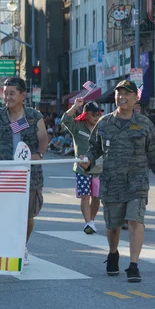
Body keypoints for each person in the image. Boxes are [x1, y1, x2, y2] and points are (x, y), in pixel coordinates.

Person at [80, 80, 155, 283]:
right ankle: (113, 252)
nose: (121, 97)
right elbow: (93, 148)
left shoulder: (144, 124)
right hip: (112, 181)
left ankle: (133, 265)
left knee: (135, 221)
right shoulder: (105, 122)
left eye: (127, 94)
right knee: (113, 225)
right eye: (119, 93)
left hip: (137, 183)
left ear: (136, 98)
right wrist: (88, 160)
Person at [0, 76, 48, 265]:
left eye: (12, 93)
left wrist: (39, 154)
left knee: (27, 214)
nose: (8, 97)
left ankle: (22, 246)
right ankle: (1, 245)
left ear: (23, 95)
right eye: (6, 93)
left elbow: (43, 137)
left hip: (27, 172)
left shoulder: (33, 116)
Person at [61, 98, 103, 234]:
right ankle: (88, 223)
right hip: (82, 169)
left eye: (99, 114)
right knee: (85, 196)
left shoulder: (102, 127)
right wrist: (74, 107)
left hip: (98, 168)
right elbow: (65, 120)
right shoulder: (78, 126)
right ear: (86, 115)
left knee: (96, 197)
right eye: (94, 114)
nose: (97, 117)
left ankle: (92, 220)